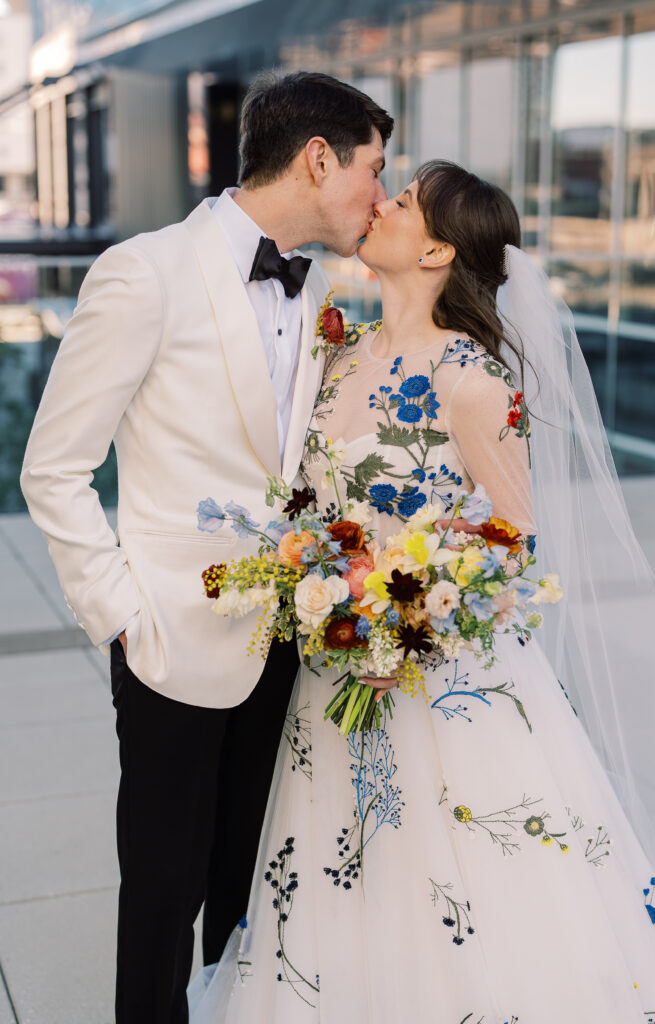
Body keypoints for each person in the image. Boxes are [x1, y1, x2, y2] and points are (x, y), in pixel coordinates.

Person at [188, 161, 655, 1022]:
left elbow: (513, 539)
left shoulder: (473, 381)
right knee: (341, 879)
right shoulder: (335, 355)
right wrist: (315, 578)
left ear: (438, 250)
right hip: (332, 670)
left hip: (439, 684)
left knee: (457, 883)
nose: (381, 203)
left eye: (405, 202)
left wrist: (405, 618)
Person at [19, 71, 393, 1024]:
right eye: (373, 169)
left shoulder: (315, 298)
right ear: (318, 158)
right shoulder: (144, 270)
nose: (380, 197)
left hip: (283, 638)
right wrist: (121, 617)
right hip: (169, 642)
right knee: (160, 896)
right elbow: (53, 467)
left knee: (248, 884)